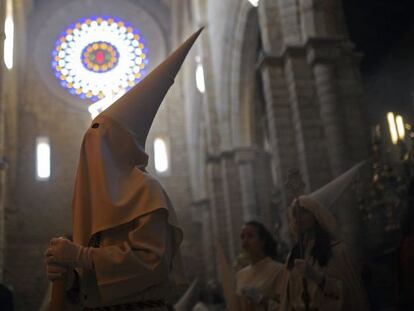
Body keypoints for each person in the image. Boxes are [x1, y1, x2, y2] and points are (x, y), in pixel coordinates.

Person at [44, 28, 203, 310]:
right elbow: (94, 282)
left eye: (99, 144)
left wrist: (80, 256)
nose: (90, 156)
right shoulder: (95, 201)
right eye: (88, 147)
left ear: (118, 146)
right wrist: (69, 277)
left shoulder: (146, 190)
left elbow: (151, 263)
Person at [279, 195, 370, 311]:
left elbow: (348, 293)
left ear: (315, 214)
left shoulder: (336, 250)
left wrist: (318, 278)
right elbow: (287, 298)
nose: (298, 217)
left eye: (304, 211)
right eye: (295, 214)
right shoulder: (293, 255)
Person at [235, 221, 284, 311]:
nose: (245, 241)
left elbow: (287, 306)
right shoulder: (240, 275)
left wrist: (261, 300)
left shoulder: (279, 270)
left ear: (262, 241)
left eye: (250, 236)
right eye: (242, 237)